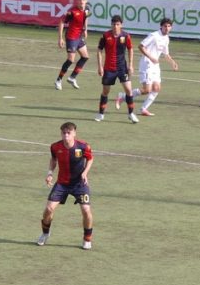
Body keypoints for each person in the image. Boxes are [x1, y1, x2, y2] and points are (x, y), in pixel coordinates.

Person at [36, 122, 95, 250]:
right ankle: (45, 233)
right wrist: (50, 173)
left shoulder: (83, 146)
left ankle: (87, 239)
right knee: (48, 209)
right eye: (64, 133)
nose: (66, 135)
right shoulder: (55, 147)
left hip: (80, 184)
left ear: (74, 133)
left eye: (69, 133)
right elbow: (53, 160)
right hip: (62, 184)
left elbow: (90, 159)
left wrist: (85, 173)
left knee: (86, 210)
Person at [117, 17, 179, 116]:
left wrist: (172, 62)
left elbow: (166, 54)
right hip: (146, 64)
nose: (167, 28)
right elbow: (141, 46)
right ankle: (123, 96)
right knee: (147, 90)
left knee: (157, 88)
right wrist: (151, 57)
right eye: (165, 26)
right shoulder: (154, 35)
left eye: (169, 26)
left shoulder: (166, 38)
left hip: (155, 66)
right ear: (161, 26)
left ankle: (143, 109)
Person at [94, 15, 139, 123]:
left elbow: (130, 49)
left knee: (128, 90)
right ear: (111, 24)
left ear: (121, 25)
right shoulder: (105, 36)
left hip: (122, 68)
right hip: (108, 68)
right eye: (114, 24)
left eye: (118, 24)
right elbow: (99, 50)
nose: (115, 26)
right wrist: (100, 66)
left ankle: (131, 114)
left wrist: (131, 65)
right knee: (105, 91)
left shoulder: (126, 36)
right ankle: (101, 114)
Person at [55, 0, 90, 90]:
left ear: (86, 1)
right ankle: (58, 80)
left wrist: (85, 29)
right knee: (71, 60)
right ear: (77, 1)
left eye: (83, 0)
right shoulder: (72, 12)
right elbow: (61, 22)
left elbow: (86, 18)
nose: (81, 2)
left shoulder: (87, 9)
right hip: (71, 37)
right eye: (80, 0)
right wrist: (60, 38)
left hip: (79, 36)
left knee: (85, 57)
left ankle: (72, 77)